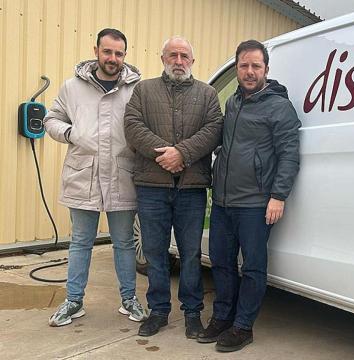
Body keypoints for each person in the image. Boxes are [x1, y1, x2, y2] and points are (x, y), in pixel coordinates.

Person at [197, 40, 301, 352]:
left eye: (256, 66)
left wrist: (278, 196)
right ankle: (222, 318)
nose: (249, 71)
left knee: (253, 267)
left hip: (256, 203)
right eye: (244, 65)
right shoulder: (232, 103)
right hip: (224, 201)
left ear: (266, 70)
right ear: (238, 68)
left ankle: (243, 326)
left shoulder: (279, 107)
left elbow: (289, 154)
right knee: (221, 262)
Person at [43, 28, 146, 327]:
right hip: (83, 174)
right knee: (80, 242)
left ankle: (129, 299)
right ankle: (74, 301)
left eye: (118, 53)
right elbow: (51, 119)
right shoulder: (72, 87)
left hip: (121, 176)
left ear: (124, 55)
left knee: (124, 242)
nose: (112, 58)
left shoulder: (135, 89)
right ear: (96, 50)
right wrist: (72, 133)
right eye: (107, 51)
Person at [124, 36, 223, 338]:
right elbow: (132, 126)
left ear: (192, 61)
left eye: (184, 56)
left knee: (191, 253)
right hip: (152, 186)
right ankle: (158, 311)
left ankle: (193, 313)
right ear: (163, 58)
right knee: (155, 252)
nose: (178, 61)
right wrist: (166, 153)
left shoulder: (207, 95)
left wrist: (183, 154)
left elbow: (214, 129)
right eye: (173, 55)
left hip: (192, 189)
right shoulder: (143, 90)